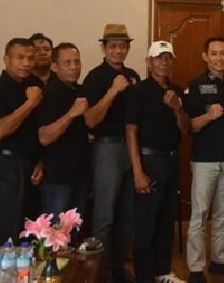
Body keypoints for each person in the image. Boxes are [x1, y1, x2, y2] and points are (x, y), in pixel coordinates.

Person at [125, 41, 190, 283]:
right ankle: (144, 276)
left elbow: (186, 128)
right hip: (148, 161)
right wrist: (138, 172)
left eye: (168, 58)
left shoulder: (176, 90)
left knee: (166, 220)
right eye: (159, 58)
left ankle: (163, 272)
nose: (164, 62)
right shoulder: (139, 91)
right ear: (149, 62)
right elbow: (131, 131)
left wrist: (177, 108)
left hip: (171, 161)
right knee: (146, 221)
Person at [83, 24, 140, 283]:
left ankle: (118, 270)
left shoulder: (133, 75)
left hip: (132, 147)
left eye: (123, 46)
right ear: (104, 48)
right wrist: (113, 91)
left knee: (127, 215)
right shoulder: (95, 77)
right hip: (106, 149)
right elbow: (90, 120)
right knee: (104, 215)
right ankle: (100, 274)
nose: (118, 50)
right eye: (113, 46)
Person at [185, 36, 224, 283]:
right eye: (214, 53)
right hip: (204, 160)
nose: (219, 58)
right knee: (199, 214)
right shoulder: (196, 85)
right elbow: (189, 126)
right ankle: (196, 268)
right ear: (205, 56)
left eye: (223, 53)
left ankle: (220, 260)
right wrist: (208, 116)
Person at [0, 38, 44, 245]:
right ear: (7, 59)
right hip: (7, 167)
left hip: (31, 167)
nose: (26, 63)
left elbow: (36, 132)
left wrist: (39, 160)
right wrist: (30, 104)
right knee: (6, 232)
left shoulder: (34, 87)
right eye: (20, 58)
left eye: (30, 58)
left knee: (31, 233)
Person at [38, 42, 90, 234]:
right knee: (55, 235)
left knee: (74, 235)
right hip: (57, 177)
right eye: (67, 63)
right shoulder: (49, 93)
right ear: (54, 66)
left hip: (80, 175)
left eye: (77, 62)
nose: (74, 67)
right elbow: (44, 137)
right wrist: (71, 114)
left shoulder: (80, 91)